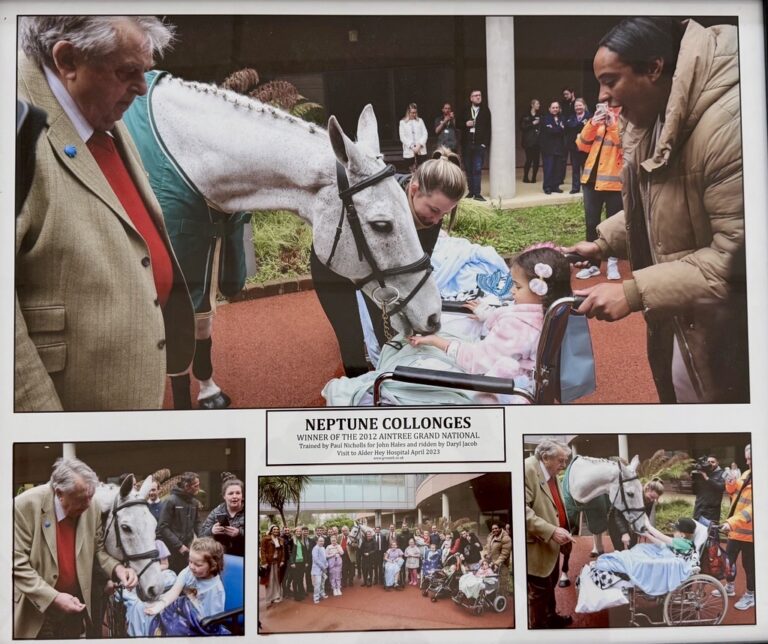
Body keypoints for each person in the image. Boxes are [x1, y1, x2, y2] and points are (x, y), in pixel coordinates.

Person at [15, 16, 194, 412]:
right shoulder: (13, 121)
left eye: (143, 71)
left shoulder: (93, 100)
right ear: (67, 60)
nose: (142, 88)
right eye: (128, 72)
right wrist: (45, 431)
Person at [566, 17, 747, 404]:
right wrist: (602, 243)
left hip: (731, 331)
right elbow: (656, 203)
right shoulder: (652, 115)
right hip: (689, 315)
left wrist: (633, 292)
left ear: (654, 69)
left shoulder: (731, 125)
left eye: (611, 80)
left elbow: (736, 261)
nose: (602, 96)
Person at [310, 148, 467, 378]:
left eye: (444, 214)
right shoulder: (375, 191)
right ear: (414, 189)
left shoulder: (431, 220)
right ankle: (358, 387)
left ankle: (391, 383)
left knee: (389, 331)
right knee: (350, 336)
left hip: (378, 274)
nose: (436, 220)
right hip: (335, 268)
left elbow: (416, 272)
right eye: (434, 210)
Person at [13, 457, 138, 639]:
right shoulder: (24, 506)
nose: (87, 504)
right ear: (59, 493)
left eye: (90, 496)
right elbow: (16, 563)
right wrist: (53, 597)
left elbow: (98, 550)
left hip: (74, 607)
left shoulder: (91, 505)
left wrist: (118, 569)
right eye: (81, 499)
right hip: (37, 608)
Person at [409, 246, 572, 382]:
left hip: (499, 392)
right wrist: (488, 315)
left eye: (518, 287)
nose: (512, 291)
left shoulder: (516, 327)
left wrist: (437, 341)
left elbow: (476, 362)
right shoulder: (548, 311)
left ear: (540, 290)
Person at [126, 537, 226, 636]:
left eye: (198, 565)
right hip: (184, 607)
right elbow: (174, 591)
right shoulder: (188, 571)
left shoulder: (216, 590)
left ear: (213, 565)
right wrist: (161, 605)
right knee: (156, 612)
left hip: (202, 621)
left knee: (176, 630)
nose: (191, 566)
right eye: (190, 561)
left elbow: (212, 621)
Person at [525, 438, 573, 629]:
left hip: (551, 544)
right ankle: (538, 629)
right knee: (539, 591)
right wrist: (552, 531)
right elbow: (521, 511)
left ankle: (550, 617)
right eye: (561, 461)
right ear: (545, 458)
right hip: (537, 545)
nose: (564, 465)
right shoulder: (527, 469)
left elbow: (555, 505)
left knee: (549, 584)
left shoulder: (551, 472)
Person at [573, 100, 622, 281]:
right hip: (591, 181)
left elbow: (627, 148)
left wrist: (613, 125)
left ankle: (612, 263)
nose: (609, 106)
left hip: (614, 183)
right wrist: (593, 122)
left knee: (612, 228)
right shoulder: (598, 122)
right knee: (591, 224)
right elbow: (582, 144)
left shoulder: (626, 121)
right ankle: (593, 265)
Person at [718, 443, 753, 610]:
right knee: (728, 561)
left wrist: (730, 522)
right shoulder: (747, 473)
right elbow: (734, 491)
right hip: (735, 530)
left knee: (749, 566)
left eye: (751, 459)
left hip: (751, 535)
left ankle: (751, 594)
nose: (748, 463)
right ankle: (730, 588)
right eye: (747, 459)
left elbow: (753, 510)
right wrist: (730, 483)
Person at [157, 472, 201, 573]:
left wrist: (203, 541)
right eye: (196, 485)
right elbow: (163, 526)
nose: (198, 488)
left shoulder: (194, 502)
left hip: (188, 548)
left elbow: (197, 523)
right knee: (174, 577)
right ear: (186, 486)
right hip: (172, 549)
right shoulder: (170, 501)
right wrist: (179, 545)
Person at [607, 479, 664, 551]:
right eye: (651, 497)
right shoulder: (632, 494)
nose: (652, 500)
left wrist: (642, 532)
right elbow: (618, 515)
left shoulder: (650, 501)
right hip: (616, 520)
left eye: (655, 498)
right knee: (620, 549)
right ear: (647, 489)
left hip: (632, 521)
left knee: (633, 548)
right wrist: (624, 533)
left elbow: (645, 517)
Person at [460, 89, 492, 200]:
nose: (478, 97)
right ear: (471, 98)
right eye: (475, 95)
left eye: (480, 95)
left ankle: (477, 194)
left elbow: (488, 128)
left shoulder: (485, 110)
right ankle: (471, 192)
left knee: (477, 169)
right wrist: (465, 124)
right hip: (467, 145)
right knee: (468, 169)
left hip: (479, 145)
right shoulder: (465, 110)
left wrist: (484, 144)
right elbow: (458, 124)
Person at [563, 98, 590, 194]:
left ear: (584, 106)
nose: (578, 107)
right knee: (575, 168)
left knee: (586, 168)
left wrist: (576, 126)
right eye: (576, 106)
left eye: (579, 105)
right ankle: (575, 187)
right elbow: (568, 127)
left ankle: (586, 187)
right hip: (574, 147)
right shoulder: (571, 117)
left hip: (586, 147)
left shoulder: (590, 117)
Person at [539, 100, 565, 194]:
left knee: (557, 168)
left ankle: (555, 186)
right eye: (553, 107)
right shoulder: (545, 118)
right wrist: (559, 128)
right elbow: (550, 131)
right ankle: (547, 187)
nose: (555, 109)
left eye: (557, 107)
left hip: (559, 148)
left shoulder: (562, 118)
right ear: (549, 109)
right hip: (548, 148)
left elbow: (563, 131)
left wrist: (557, 129)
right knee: (548, 168)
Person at [692, 456, 726, 523]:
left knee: (710, 532)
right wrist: (695, 478)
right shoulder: (703, 472)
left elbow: (721, 487)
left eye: (712, 462)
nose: (710, 464)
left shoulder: (722, 473)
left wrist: (707, 479)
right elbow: (695, 491)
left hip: (711, 512)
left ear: (717, 463)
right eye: (708, 462)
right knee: (698, 532)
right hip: (699, 509)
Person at [260, 524, 285, 606]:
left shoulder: (280, 539)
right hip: (269, 563)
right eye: (274, 529)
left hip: (277, 563)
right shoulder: (265, 539)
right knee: (269, 581)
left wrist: (282, 560)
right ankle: (269, 598)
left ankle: (276, 596)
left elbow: (282, 552)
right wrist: (264, 562)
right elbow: (262, 551)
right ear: (271, 530)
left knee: (277, 580)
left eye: (277, 529)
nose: (276, 531)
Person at [399, 102, 428, 170]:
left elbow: (425, 134)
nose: (414, 114)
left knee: (421, 171)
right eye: (412, 112)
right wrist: (412, 146)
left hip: (421, 150)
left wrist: (419, 145)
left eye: (415, 112)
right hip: (409, 152)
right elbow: (402, 137)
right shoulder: (402, 122)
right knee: (411, 172)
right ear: (408, 112)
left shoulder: (420, 121)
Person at [486, 523, 512, 595]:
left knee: (502, 582)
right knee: (492, 580)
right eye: (493, 529)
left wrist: (497, 563)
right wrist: (486, 557)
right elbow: (488, 548)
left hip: (502, 565)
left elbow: (504, 554)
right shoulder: (491, 536)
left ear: (500, 528)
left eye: (496, 528)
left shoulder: (506, 538)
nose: (494, 530)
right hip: (492, 563)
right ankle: (493, 596)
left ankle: (502, 598)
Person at [519, 98, 542, 183]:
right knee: (529, 159)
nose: (538, 105)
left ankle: (534, 178)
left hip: (537, 141)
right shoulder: (525, 115)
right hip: (528, 141)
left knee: (536, 160)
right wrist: (532, 123)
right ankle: (525, 177)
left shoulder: (540, 115)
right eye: (537, 104)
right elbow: (522, 127)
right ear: (532, 105)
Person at [311, 536, 329, 604]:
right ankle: (316, 597)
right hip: (317, 569)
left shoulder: (323, 548)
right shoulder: (315, 548)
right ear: (317, 541)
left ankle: (322, 593)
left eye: (323, 541)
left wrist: (326, 565)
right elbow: (316, 560)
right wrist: (323, 567)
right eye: (320, 541)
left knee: (322, 582)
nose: (322, 542)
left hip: (323, 568)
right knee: (317, 584)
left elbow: (325, 558)